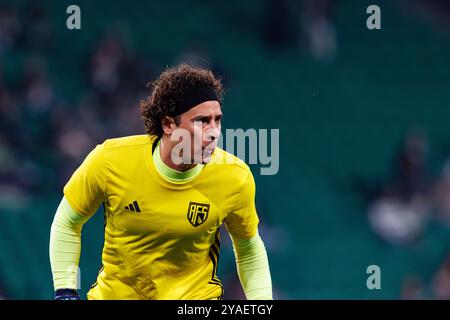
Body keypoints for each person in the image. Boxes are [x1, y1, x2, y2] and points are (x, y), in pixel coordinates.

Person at [49, 63, 273, 300]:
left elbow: (248, 248)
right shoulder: (109, 160)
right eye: (201, 121)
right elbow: (67, 222)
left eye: (217, 120)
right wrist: (65, 291)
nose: (214, 131)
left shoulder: (234, 176)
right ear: (168, 125)